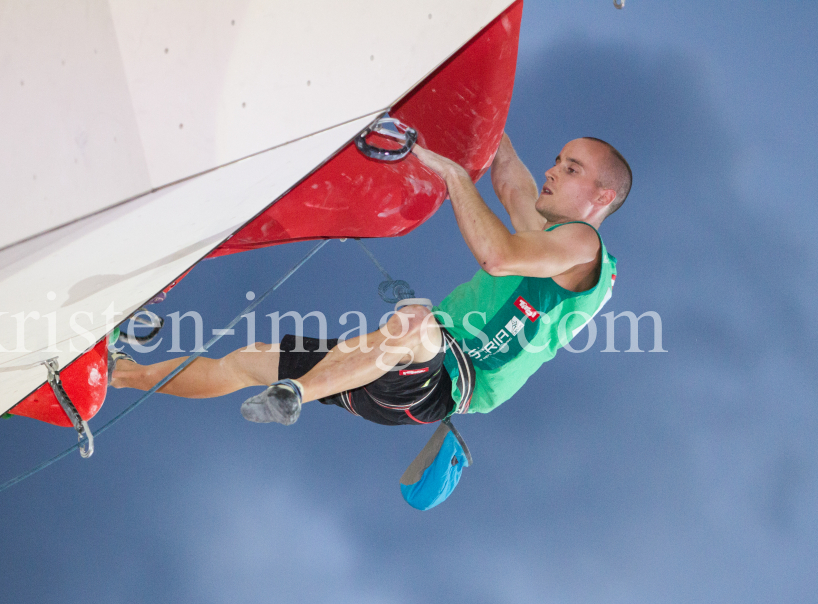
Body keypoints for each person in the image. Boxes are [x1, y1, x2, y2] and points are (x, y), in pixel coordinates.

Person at [109, 134, 630, 427]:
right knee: (246, 361)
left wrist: (451, 174)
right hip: (377, 372)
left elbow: (497, 256)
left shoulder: (585, 246)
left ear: (602, 197)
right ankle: (120, 374)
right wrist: (478, 105)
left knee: (415, 322)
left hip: (442, 381)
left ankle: (295, 394)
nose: (554, 169)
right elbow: (510, 176)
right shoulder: (550, 239)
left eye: (573, 168)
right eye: (557, 158)